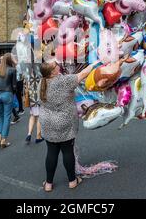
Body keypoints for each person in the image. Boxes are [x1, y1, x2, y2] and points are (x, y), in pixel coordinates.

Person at [38, 60, 100, 192]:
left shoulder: (41, 83)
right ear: (53, 71)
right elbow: (83, 74)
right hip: (65, 122)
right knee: (67, 151)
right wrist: (95, 63)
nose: (58, 64)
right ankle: (72, 181)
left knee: (51, 152)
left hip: (47, 122)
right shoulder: (63, 81)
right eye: (55, 65)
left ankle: (48, 183)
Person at [0, 53, 17, 148]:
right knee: (7, 117)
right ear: (10, 60)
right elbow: (14, 85)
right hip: (7, 94)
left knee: (1, 116)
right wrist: (14, 93)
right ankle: (4, 140)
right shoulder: (12, 70)